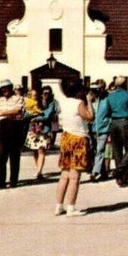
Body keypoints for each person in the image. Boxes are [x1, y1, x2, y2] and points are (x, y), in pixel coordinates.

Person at [55, 80, 94, 216]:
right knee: (75, 176)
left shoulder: (63, 102)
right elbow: (90, 117)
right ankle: (71, 207)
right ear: (79, 92)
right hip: (78, 138)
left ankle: (59, 206)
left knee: (65, 174)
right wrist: (89, 102)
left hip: (66, 138)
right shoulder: (79, 103)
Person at [105, 75, 128, 186]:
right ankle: (120, 170)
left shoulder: (110, 96)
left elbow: (107, 111)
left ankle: (121, 179)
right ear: (125, 84)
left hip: (114, 123)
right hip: (126, 122)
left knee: (117, 150)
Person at [0, 80, 25, 189]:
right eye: (3, 88)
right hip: (2, 126)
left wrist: (2, 113)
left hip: (14, 126)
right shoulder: (0, 100)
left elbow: (18, 110)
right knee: (0, 155)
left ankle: (13, 181)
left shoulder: (18, 98)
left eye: (7, 88)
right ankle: (0, 181)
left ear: (11, 88)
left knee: (14, 155)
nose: (5, 90)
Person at [27, 86, 59, 181]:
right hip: (33, 129)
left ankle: (39, 172)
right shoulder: (36, 101)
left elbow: (47, 115)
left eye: (48, 93)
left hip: (44, 129)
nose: (46, 95)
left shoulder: (52, 103)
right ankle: (38, 169)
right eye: (44, 93)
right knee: (35, 150)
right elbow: (28, 112)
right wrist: (33, 115)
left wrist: (36, 117)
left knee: (41, 150)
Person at [88, 80, 111, 182]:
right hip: (92, 128)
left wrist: (109, 126)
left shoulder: (107, 99)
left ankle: (95, 172)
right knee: (94, 150)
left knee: (100, 150)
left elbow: (111, 113)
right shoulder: (90, 100)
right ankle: (103, 172)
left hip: (103, 128)